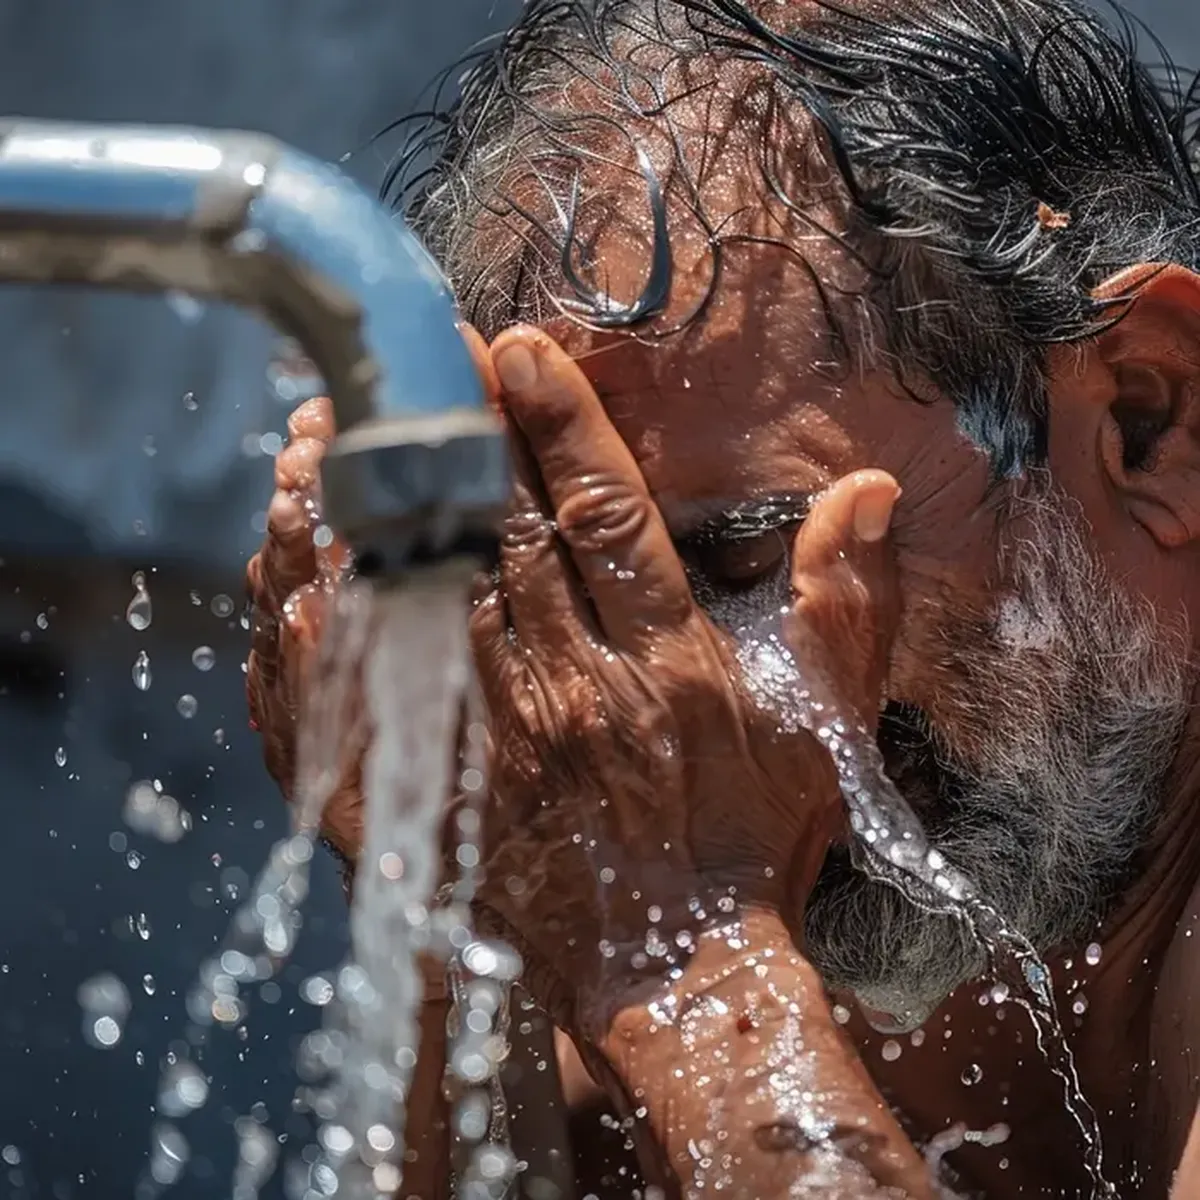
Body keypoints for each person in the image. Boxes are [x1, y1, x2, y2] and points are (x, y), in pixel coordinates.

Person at [245, 0, 1200, 1195]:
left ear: (1149, 426)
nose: (659, 705)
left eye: (746, 562)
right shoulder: (774, 896)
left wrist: (691, 962)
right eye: (587, 594)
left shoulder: (711, 919)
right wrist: (447, 903)